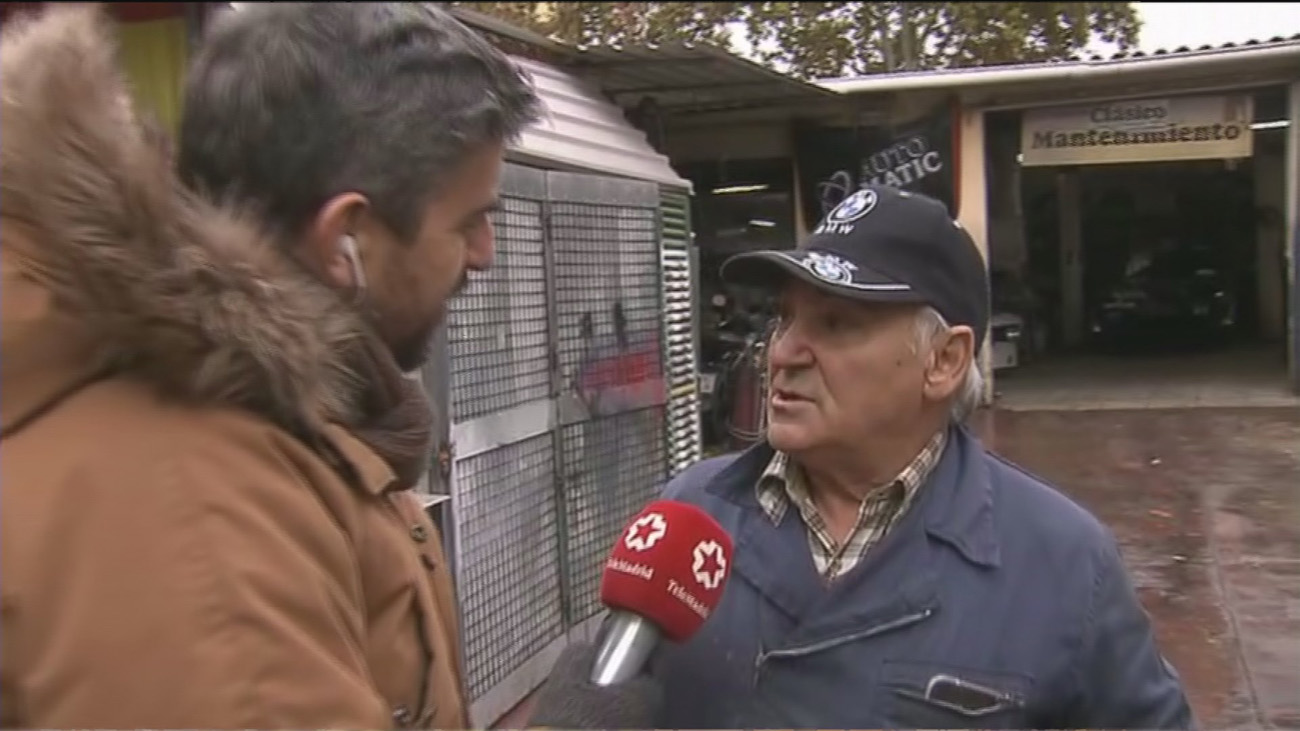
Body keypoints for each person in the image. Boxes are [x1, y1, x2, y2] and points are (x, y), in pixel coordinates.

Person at [0, 4, 657, 728]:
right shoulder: (200, 516)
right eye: (468, 219)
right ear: (347, 238)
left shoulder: (301, 426)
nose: (485, 252)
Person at [651, 184, 1196, 729]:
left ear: (944, 361)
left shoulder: (1064, 562)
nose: (782, 352)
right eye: (785, 318)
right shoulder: (689, 514)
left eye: (836, 323)